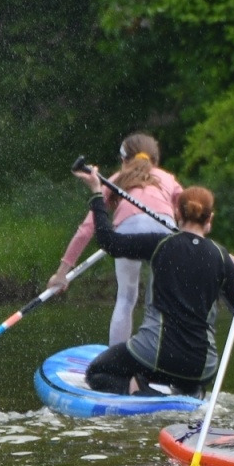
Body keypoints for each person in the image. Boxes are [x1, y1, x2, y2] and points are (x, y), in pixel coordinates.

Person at [69, 174, 234, 397]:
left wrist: (96, 194)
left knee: (97, 372)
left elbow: (109, 243)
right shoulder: (221, 257)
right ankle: (190, 392)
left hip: (154, 356)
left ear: (178, 213)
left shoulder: (160, 243)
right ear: (210, 219)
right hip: (201, 367)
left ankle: (139, 392)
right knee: (185, 373)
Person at [47, 133, 182, 346]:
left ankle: (116, 363)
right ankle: (159, 359)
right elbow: (189, 212)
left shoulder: (116, 180)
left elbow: (87, 229)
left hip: (127, 234)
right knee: (159, 301)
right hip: (165, 234)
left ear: (123, 159)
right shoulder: (168, 179)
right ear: (155, 159)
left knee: (126, 298)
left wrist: (61, 274)